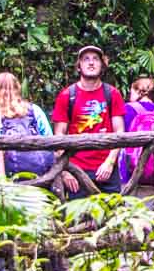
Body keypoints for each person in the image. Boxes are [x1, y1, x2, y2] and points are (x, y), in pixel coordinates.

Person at [52, 45, 125, 195]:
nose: (91, 63)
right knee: (80, 218)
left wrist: (110, 163)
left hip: (106, 169)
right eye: (86, 59)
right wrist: (66, 171)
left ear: (102, 65)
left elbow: (120, 132)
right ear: (79, 66)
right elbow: (58, 137)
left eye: (95, 59)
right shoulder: (67, 95)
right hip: (77, 170)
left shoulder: (112, 94)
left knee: (112, 216)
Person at [0, 73, 55, 179]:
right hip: (41, 171)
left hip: (10, 173)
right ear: (18, 88)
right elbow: (49, 137)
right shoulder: (34, 109)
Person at [117, 76, 154, 189]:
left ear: (139, 92)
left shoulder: (128, 108)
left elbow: (120, 136)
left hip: (130, 172)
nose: (130, 96)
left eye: (131, 92)